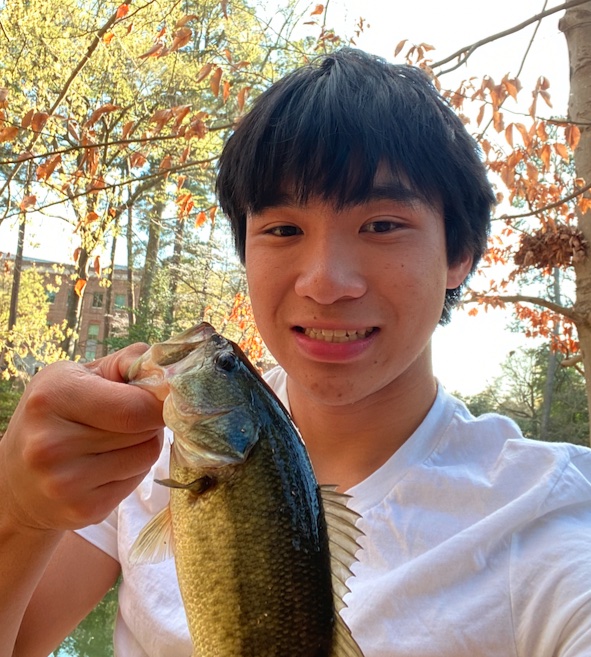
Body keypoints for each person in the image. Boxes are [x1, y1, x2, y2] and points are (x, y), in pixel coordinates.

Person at [2, 47, 591, 657]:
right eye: (283, 229)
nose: (325, 282)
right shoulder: (137, 464)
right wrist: (18, 511)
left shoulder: (552, 515)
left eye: (382, 225)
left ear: (458, 253)